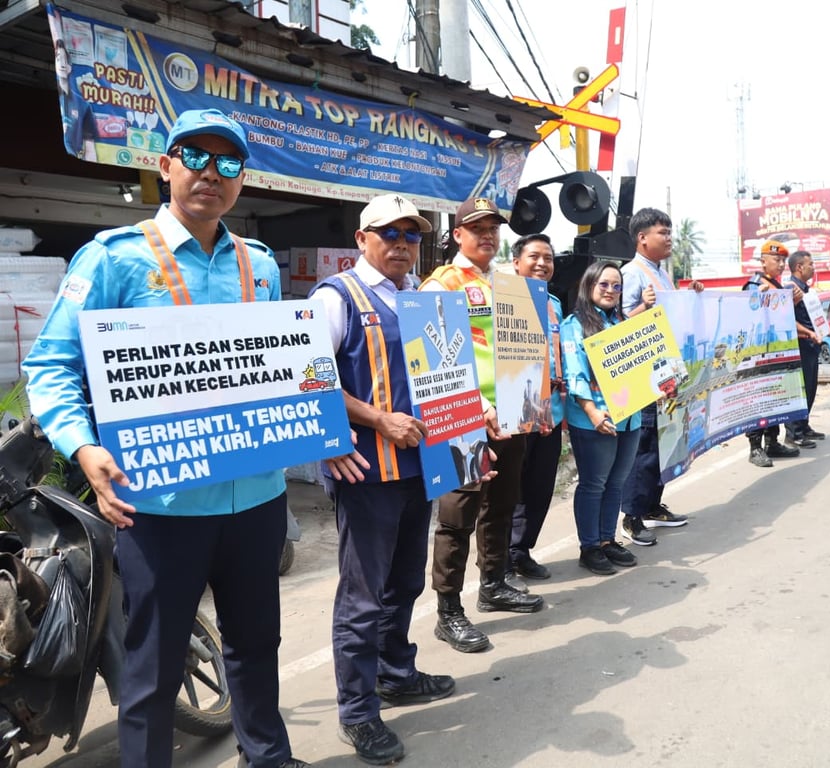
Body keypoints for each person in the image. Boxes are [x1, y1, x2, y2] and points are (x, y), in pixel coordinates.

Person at [22, 109, 315, 768]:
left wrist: (309, 400)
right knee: (151, 670)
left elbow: (276, 363)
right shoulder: (113, 260)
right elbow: (51, 366)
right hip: (160, 508)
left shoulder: (259, 266)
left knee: (254, 645)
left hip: (256, 500)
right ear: (165, 165)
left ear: (243, 179)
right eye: (196, 156)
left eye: (229, 162)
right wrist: (84, 446)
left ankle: (267, 756)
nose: (212, 172)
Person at [310, 194, 455, 765]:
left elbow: (442, 382)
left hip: (418, 467)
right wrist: (365, 426)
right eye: (389, 232)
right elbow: (309, 379)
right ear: (361, 238)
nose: (401, 243)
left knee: (404, 583)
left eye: (412, 235)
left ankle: (396, 672)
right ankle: (359, 711)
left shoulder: (417, 301)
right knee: (363, 596)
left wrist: (465, 440)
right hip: (368, 471)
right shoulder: (335, 297)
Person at [420, 196, 542, 655]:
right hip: (462, 419)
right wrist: (476, 407)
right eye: (478, 228)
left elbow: (525, 350)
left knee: (502, 504)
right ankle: (449, 611)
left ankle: (493, 583)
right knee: (457, 515)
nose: (488, 235)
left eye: (494, 228)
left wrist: (536, 403)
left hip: (512, 414)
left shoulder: (510, 284)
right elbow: (436, 366)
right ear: (457, 235)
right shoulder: (441, 286)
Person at [619, 208, 703, 546]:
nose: (669, 238)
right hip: (645, 376)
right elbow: (620, 326)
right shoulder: (632, 274)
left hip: (667, 373)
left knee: (664, 441)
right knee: (644, 446)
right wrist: (642, 308)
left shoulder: (660, 275)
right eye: (662, 233)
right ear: (642, 238)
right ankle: (632, 515)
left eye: (670, 232)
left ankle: (652, 504)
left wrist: (691, 294)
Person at [562, 260, 642, 575]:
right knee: (594, 484)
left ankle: (608, 540)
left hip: (629, 417)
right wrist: (593, 412)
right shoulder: (575, 324)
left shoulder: (623, 322)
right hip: (594, 419)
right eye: (604, 284)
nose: (610, 290)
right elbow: (574, 374)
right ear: (589, 286)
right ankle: (590, 546)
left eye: (616, 285)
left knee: (617, 482)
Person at [507, 233, 564, 583]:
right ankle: (499, 563)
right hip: (517, 410)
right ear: (516, 262)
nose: (542, 263)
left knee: (540, 488)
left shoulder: (554, 303)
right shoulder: (505, 299)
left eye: (548, 258)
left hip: (553, 412)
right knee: (509, 491)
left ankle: (521, 551)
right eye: (534, 257)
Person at [743, 240, 802, 467]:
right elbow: (747, 313)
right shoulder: (754, 284)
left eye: (783, 261)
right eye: (776, 260)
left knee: (775, 398)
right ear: (763, 261)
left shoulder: (779, 286)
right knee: (759, 400)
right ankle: (755, 448)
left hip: (777, 351)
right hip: (759, 354)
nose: (780, 264)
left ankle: (772, 442)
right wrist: (756, 297)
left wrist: (793, 302)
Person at [784, 250, 826, 447]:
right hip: (799, 345)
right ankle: (794, 433)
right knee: (799, 391)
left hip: (812, 345)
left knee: (810, 388)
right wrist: (809, 333)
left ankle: (804, 425)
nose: (813, 267)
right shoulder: (790, 289)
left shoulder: (807, 290)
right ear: (799, 267)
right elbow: (787, 320)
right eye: (810, 264)